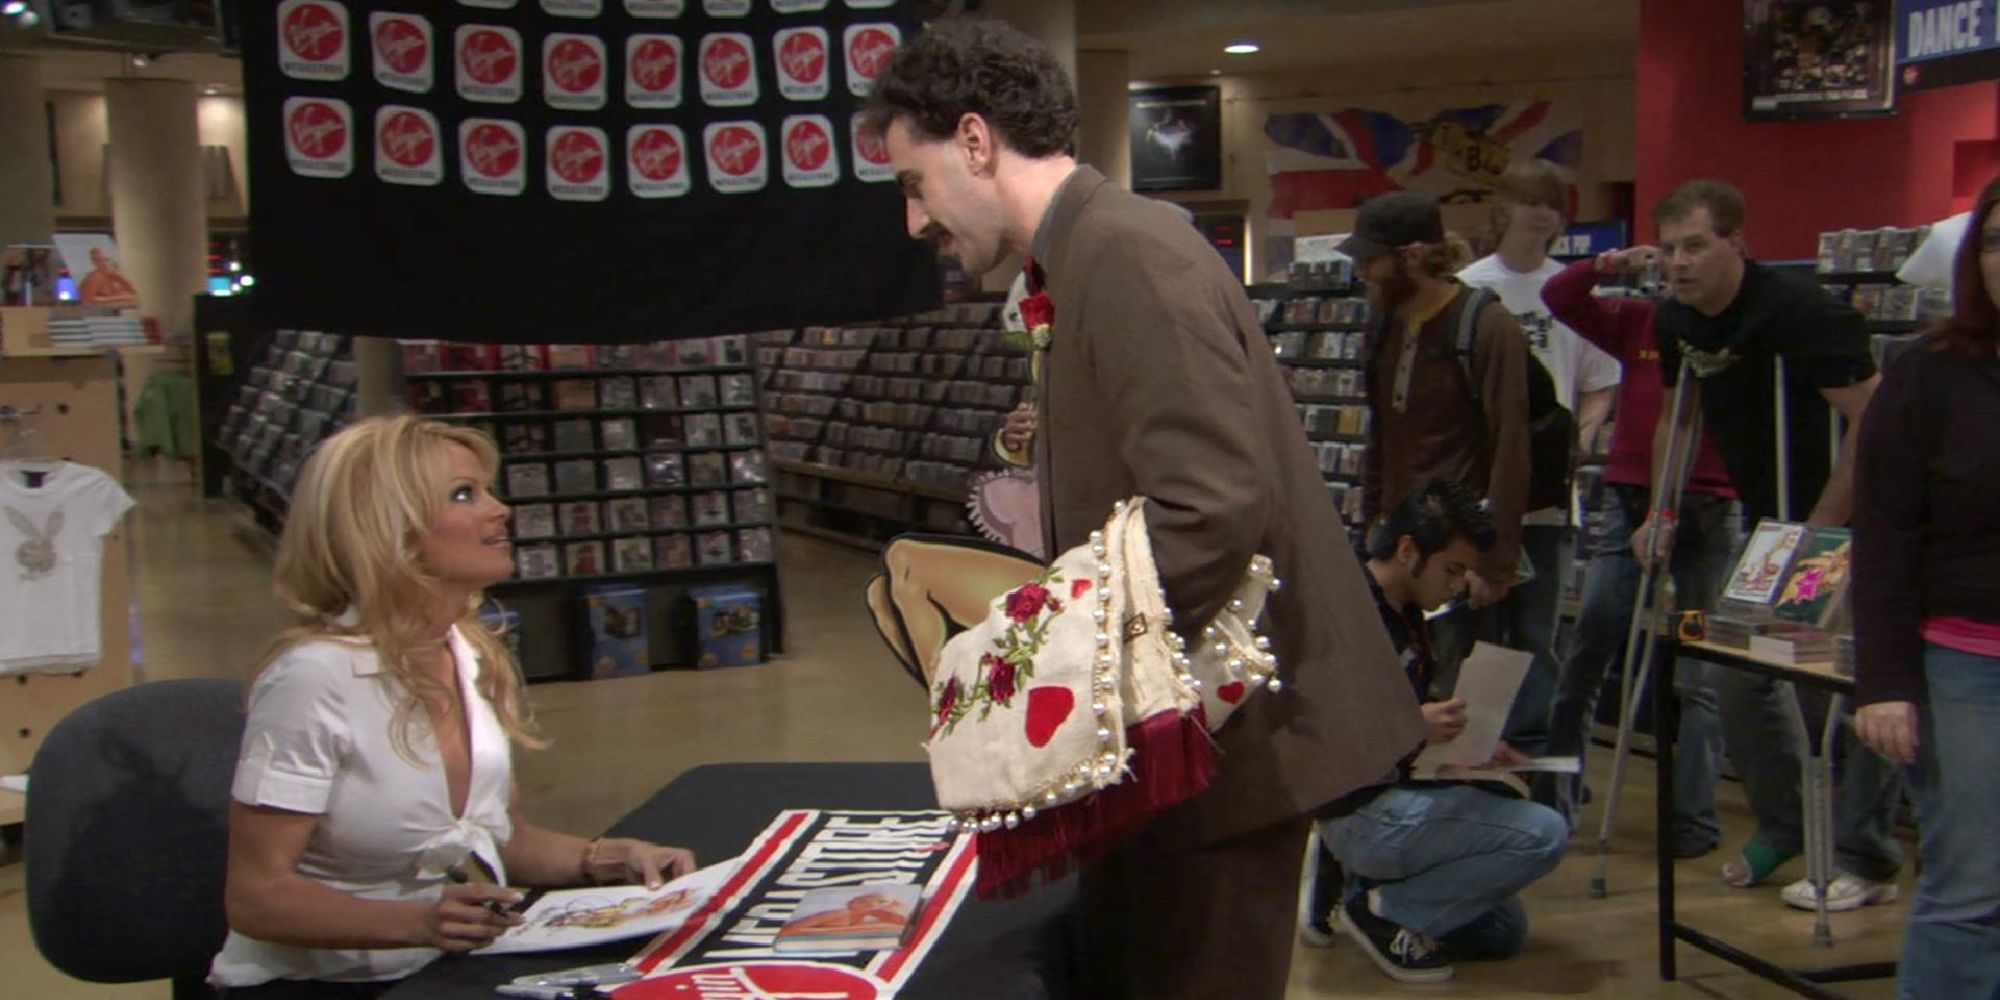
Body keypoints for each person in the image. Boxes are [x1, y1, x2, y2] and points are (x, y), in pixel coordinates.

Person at [864, 18, 1423, 998]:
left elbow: (1207, 507)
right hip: (1189, 741)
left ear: (975, 140)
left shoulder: (1123, 250)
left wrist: (1039, 667)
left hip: (1223, 750)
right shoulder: (1089, 253)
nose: (915, 221)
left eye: (914, 184)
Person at [210, 416, 696, 998]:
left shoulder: (468, 651)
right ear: (388, 529)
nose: (501, 510)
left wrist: (601, 858)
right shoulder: (314, 678)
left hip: (436, 968)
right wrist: (417, 922)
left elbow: (503, 840)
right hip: (316, 985)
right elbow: (256, 897)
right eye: (465, 494)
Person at [1641, 180, 1902, 909]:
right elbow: (1678, 416)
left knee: (1841, 686)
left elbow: (1874, 428)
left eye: (1695, 245)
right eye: (1669, 249)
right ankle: (1788, 826)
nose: (1679, 263)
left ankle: (1866, 857)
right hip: (1770, 527)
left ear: (1736, 242)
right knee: (1741, 676)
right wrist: (1660, 506)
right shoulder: (1677, 320)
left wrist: (1817, 536)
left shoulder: (1804, 315)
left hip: (1841, 524)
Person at [1309, 480, 1567, 984]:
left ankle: (1366, 890)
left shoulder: (1411, 619)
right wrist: (1412, 727)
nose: (1457, 586)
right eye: (1452, 570)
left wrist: (1474, 749)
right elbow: (1322, 730)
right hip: (1358, 808)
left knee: (1500, 930)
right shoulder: (1349, 613)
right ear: (1409, 551)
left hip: (1395, 789)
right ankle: (1385, 911)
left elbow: (1405, 720)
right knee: (1544, 834)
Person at [1853, 173, 2000, 1000]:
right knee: (1971, 885)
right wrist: (1885, 681)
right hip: (1967, 667)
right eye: (1995, 240)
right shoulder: (1929, 375)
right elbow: (1885, 536)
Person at [1540, 245, 1738, 856]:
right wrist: (1607, 264)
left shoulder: (1736, 331)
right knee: (1592, 641)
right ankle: (1557, 801)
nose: (1680, 267)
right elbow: (1560, 298)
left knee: (1698, 670)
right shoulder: (1636, 320)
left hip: (1708, 511)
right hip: (1628, 504)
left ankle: (1694, 821)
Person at [1456, 161, 1623, 757]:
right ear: (1503, 208)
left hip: (1551, 495)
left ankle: (1529, 758)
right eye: (1528, 200)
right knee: (1474, 630)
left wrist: (1583, 433)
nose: (1540, 213)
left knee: (1536, 634)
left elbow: (1601, 378)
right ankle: (1469, 750)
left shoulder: (1576, 291)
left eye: (1551, 202)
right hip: (1480, 490)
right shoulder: (1470, 285)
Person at [1352, 190, 1534, 704]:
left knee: (1456, 693)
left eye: (1371, 259)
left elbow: (1511, 449)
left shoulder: (1489, 327)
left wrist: (1494, 562)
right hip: (1400, 544)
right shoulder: (1383, 325)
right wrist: (1373, 526)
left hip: (1458, 548)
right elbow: (1380, 433)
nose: (1362, 271)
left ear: (1410, 257)